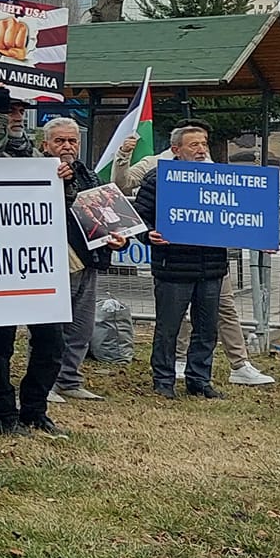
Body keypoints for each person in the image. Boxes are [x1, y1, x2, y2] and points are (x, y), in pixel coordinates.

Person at [0, 107, 70, 438]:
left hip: (42, 270)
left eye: (19, 112)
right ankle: (2, 411)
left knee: (51, 345)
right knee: (0, 344)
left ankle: (34, 409)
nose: (16, 117)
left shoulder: (62, 169)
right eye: (8, 112)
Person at [131, 124, 230, 401]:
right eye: (194, 145)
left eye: (204, 144)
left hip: (211, 266)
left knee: (207, 328)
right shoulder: (157, 179)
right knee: (169, 327)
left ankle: (200, 379)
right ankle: (163, 379)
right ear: (176, 150)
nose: (201, 150)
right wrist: (147, 235)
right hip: (173, 266)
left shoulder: (220, 178)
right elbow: (139, 217)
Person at [45, 117, 126, 404]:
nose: (67, 146)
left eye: (72, 140)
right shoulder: (37, 172)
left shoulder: (88, 174)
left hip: (88, 257)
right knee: (52, 327)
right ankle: (46, 382)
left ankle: (69, 379)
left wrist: (118, 235)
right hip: (55, 259)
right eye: (60, 141)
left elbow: (104, 211)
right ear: (46, 144)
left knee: (82, 326)